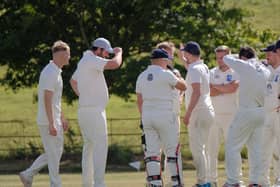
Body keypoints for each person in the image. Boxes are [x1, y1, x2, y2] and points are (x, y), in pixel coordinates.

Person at [70, 37, 122, 187]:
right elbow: (115, 64)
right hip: (94, 111)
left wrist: (84, 95)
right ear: (98, 49)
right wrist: (119, 53)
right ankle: (99, 184)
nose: (107, 55)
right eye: (106, 52)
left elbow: (73, 81)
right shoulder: (91, 59)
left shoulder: (83, 61)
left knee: (89, 148)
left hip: (85, 110)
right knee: (100, 147)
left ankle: (88, 184)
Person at [19, 40, 71, 187]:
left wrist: (61, 118)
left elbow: (55, 101)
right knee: (53, 154)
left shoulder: (56, 72)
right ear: (59, 55)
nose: (69, 58)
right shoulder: (50, 72)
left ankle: (28, 174)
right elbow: (46, 99)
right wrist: (51, 123)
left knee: (54, 153)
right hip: (48, 120)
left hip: (54, 119)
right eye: (67, 55)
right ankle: (55, 184)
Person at [136, 48, 186, 187]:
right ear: (164, 60)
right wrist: (180, 78)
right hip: (165, 115)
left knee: (151, 152)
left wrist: (143, 117)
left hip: (147, 116)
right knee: (172, 150)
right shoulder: (166, 74)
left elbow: (139, 100)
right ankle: (176, 182)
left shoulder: (141, 76)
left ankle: (155, 182)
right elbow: (183, 86)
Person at [222, 47, 270, 187]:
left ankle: (233, 181)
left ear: (243, 57)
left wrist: (238, 57)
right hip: (261, 112)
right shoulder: (264, 68)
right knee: (256, 149)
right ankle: (256, 181)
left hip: (246, 112)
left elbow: (226, 58)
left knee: (232, 146)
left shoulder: (245, 65)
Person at [181, 41, 215, 187]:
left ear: (189, 53)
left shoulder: (194, 69)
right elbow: (191, 67)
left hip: (198, 112)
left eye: (185, 52)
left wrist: (188, 113)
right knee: (203, 148)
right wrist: (183, 59)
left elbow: (196, 92)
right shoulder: (203, 66)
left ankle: (202, 182)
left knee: (197, 149)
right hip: (208, 110)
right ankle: (206, 180)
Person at [208, 45, 239, 186]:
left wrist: (217, 87)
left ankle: (234, 179)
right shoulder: (211, 72)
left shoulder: (236, 71)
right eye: (218, 58)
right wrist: (224, 88)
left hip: (231, 115)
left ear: (229, 56)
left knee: (232, 149)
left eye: (223, 58)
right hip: (214, 115)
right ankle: (211, 180)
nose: (220, 60)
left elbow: (233, 88)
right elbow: (209, 91)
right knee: (211, 149)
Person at [156, 41, 184, 186]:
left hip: (173, 116)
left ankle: (175, 181)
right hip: (158, 115)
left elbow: (182, 89)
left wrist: (179, 99)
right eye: (166, 53)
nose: (169, 57)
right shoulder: (153, 73)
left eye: (170, 54)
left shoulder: (175, 73)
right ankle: (156, 180)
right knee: (155, 150)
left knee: (173, 150)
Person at [259, 43, 280, 187]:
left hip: (278, 115)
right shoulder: (267, 71)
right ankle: (263, 181)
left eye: (269, 53)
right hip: (267, 115)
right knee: (264, 150)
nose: (266, 56)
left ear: (277, 53)